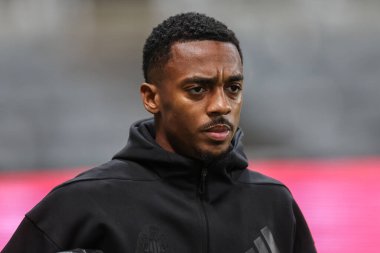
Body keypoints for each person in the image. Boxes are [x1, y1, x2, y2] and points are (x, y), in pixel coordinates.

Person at [2, 12, 316, 253]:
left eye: (233, 88)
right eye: (197, 89)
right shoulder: (80, 204)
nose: (221, 105)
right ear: (151, 98)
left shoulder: (274, 203)